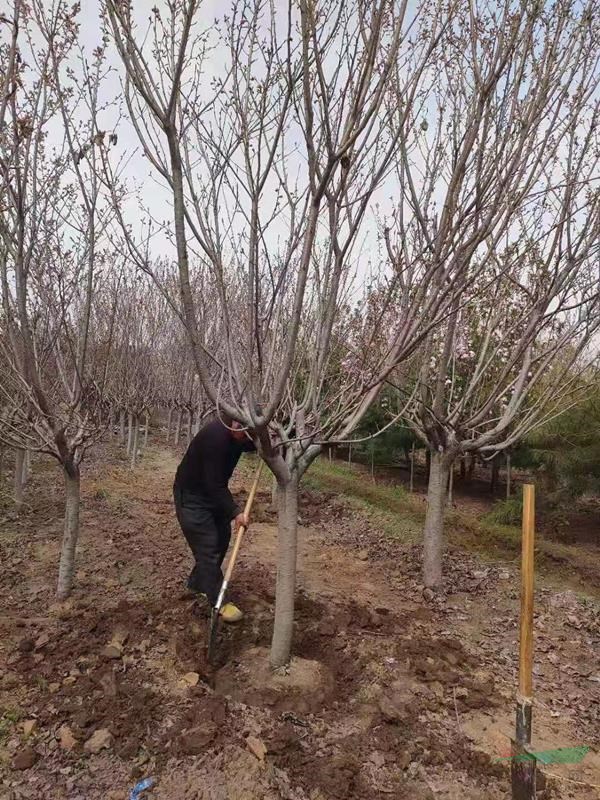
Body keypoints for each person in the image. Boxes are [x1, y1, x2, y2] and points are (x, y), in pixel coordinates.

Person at [173, 413, 256, 622]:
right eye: (243, 432)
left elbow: (248, 445)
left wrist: (276, 441)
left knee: (221, 538)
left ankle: (198, 583)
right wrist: (236, 512)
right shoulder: (215, 438)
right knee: (208, 547)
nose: (246, 436)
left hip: (212, 494)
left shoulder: (240, 434)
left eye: (250, 433)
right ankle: (219, 601)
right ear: (233, 424)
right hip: (192, 496)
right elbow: (214, 484)